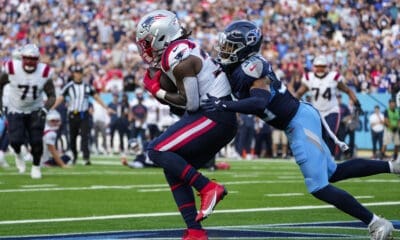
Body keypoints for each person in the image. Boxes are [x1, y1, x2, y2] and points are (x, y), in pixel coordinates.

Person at [202, 20, 398, 240]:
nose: (225, 50)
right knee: (334, 172)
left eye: (230, 45)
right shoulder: (236, 68)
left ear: (245, 47)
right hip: (299, 117)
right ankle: (392, 166)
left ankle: (376, 223)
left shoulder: (252, 67)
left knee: (318, 187)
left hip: (297, 121)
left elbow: (259, 102)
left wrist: (224, 105)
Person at [136, 10, 237, 240]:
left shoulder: (176, 53)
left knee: (156, 149)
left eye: (147, 42)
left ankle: (208, 187)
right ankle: (195, 231)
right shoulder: (181, 48)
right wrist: (160, 89)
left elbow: (189, 104)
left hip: (213, 115)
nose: (146, 48)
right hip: (216, 116)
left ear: (161, 35)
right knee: (173, 169)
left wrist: (156, 90)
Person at [0, 43, 56, 179]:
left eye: (33, 59)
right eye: (27, 58)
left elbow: (52, 95)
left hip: (35, 110)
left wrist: (45, 108)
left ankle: (36, 167)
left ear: (38, 60)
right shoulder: (12, 68)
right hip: (15, 109)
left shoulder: (44, 72)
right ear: (22, 58)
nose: (30, 61)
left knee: (36, 141)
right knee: (15, 141)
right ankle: (18, 154)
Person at [294, 54, 363, 157]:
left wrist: (357, 103)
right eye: (318, 66)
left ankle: (330, 157)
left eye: (322, 66)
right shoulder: (309, 78)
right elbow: (299, 93)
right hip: (317, 112)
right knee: (318, 137)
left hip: (332, 110)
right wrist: (292, 104)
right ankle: (322, 157)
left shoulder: (333, 77)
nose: (320, 69)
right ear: (314, 67)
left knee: (330, 135)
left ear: (326, 67)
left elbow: (348, 90)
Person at [51, 64, 113, 165]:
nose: (78, 75)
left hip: (84, 115)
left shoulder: (87, 86)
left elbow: (96, 97)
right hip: (72, 114)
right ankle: (74, 157)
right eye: (76, 73)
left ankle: (86, 158)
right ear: (73, 74)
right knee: (73, 137)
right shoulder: (69, 86)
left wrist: (106, 108)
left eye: (80, 73)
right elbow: (61, 98)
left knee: (85, 136)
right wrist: (52, 107)